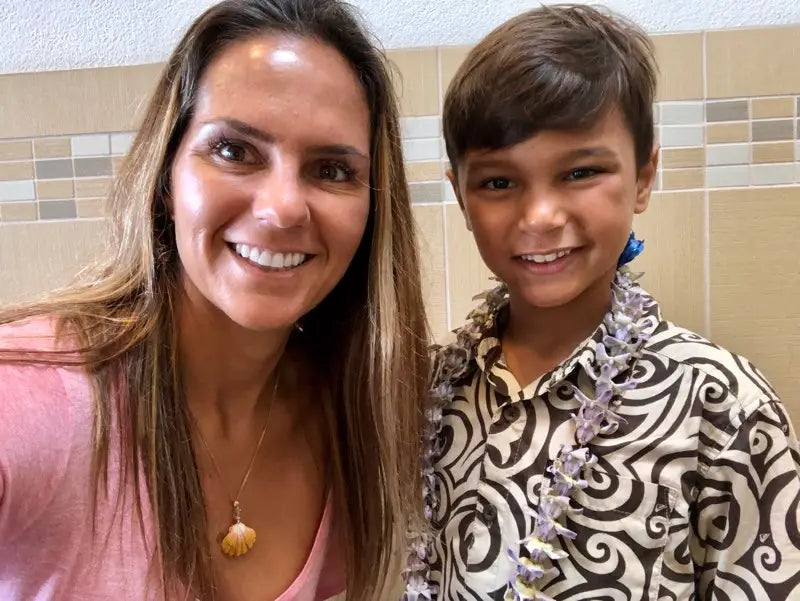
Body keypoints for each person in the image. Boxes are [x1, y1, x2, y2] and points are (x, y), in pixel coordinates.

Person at [0, 1, 429, 600]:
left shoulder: (352, 413)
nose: (283, 208)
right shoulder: (32, 392)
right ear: (166, 178)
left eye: (332, 170)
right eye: (234, 151)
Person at [400, 5, 800, 601]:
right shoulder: (425, 394)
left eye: (581, 172)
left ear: (643, 176)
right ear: (461, 196)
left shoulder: (721, 408)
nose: (540, 217)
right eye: (499, 182)